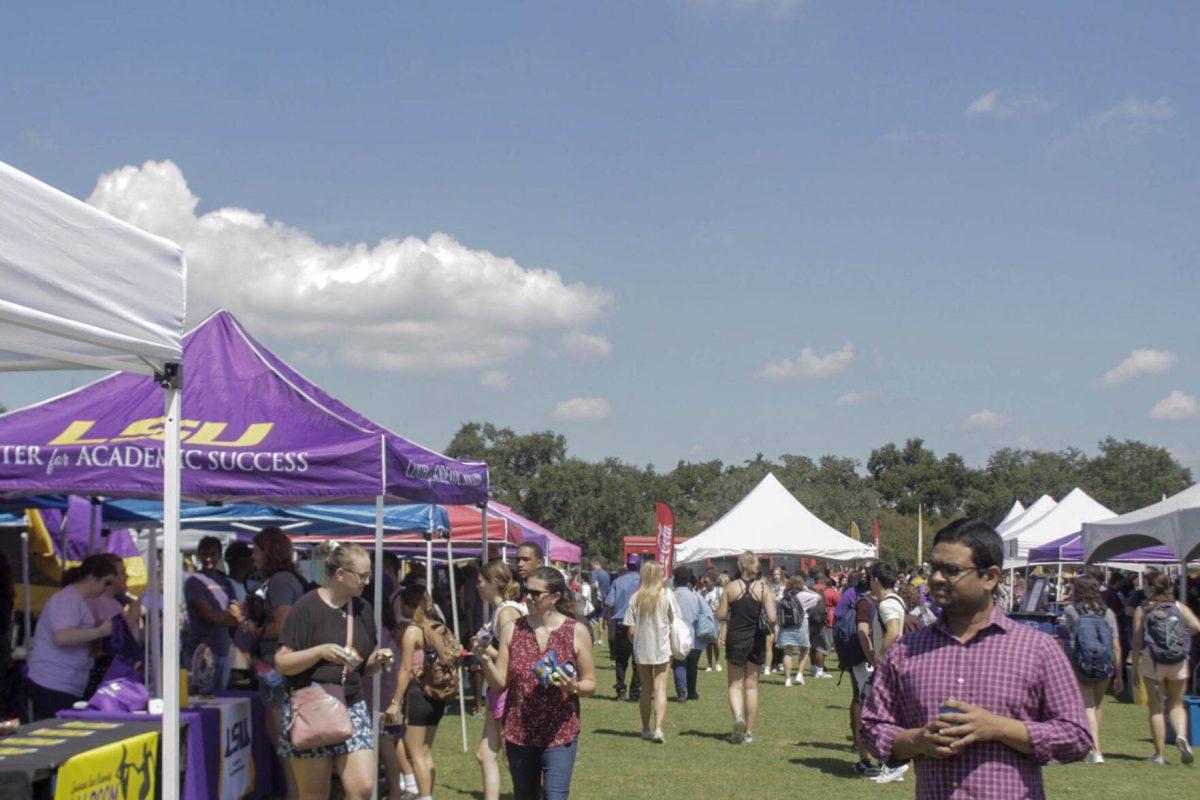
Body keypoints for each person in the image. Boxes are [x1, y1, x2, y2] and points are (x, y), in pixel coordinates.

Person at [862, 519, 1091, 798]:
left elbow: (1076, 737)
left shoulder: (1037, 649)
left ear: (990, 577)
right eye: (932, 568)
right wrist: (917, 740)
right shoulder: (906, 651)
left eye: (951, 570)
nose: (935, 578)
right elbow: (872, 728)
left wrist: (1000, 728)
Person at [275, 544, 389, 800]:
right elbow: (282, 662)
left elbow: (364, 665)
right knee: (314, 793)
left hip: (352, 703)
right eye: (362, 575)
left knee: (362, 787)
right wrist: (320, 651)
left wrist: (377, 661)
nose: (367, 581)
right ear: (340, 573)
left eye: (368, 574)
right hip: (312, 706)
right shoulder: (306, 607)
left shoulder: (363, 609)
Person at [475, 566, 596, 800]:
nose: (527, 597)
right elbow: (500, 684)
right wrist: (485, 661)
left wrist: (574, 687)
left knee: (555, 795)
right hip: (520, 732)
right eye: (525, 590)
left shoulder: (576, 631)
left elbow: (591, 682)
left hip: (560, 732)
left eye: (535, 593)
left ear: (555, 597)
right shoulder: (512, 629)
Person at [241, 527, 307, 800]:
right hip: (278, 667)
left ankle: (296, 794)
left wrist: (255, 631)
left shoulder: (280, 581)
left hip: (276, 668)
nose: (253, 556)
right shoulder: (288, 579)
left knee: (283, 738)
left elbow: (282, 626)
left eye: (256, 550)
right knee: (285, 739)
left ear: (268, 551)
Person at [26, 554, 117, 720]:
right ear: (91, 578)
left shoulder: (77, 600)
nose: (107, 588)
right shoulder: (67, 599)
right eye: (106, 582)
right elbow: (62, 637)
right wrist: (100, 631)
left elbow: (76, 636)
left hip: (65, 682)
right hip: (53, 682)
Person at [385, 584, 451, 800]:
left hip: (417, 693)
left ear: (404, 605)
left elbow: (405, 669)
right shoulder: (437, 627)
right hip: (438, 695)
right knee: (424, 752)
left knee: (417, 755)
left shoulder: (412, 631)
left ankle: (422, 796)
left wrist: (395, 700)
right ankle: (425, 794)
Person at [1131, 569, 1200, 765]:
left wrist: (1135, 667)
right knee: (1177, 705)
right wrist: (1181, 637)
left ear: (1151, 588)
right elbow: (1196, 626)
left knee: (1156, 708)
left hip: (1152, 661)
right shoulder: (1178, 606)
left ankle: (1160, 755)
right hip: (1177, 660)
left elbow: (1136, 642)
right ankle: (1181, 735)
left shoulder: (1143, 609)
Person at [473, 560, 527, 800]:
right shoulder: (504, 610)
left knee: (512, 756)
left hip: (506, 690)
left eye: (481, 581)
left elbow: (515, 655)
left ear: (493, 584)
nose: (477, 586)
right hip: (498, 689)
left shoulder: (507, 612)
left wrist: (485, 653)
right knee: (486, 754)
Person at [1061, 575, 1123, 764]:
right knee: (1097, 705)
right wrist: (1119, 674)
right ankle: (1094, 744)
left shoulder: (1071, 610)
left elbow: (1070, 637)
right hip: (1105, 663)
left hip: (1082, 662)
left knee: (1087, 705)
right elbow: (1116, 645)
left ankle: (1094, 749)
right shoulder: (1108, 613)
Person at [716, 551, 776, 744]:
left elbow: (721, 615)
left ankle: (738, 718)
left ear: (740, 566)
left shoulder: (730, 587)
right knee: (751, 687)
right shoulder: (764, 588)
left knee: (734, 685)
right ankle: (748, 732)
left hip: (735, 638)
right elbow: (772, 618)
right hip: (756, 639)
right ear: (756, 566)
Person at [862, 561, 908, 784]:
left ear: (876, 580)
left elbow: (893, 632)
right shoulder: (897, 600)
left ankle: (894, 764)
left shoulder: (886, 605)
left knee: (875, 714)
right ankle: (892, 764)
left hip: (889, 665)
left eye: (870, 578)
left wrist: (879, 655)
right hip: (899, 664)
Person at [625, 561, 682, 742]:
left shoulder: (635, 597)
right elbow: (676, 619)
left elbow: (631, 630)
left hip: (642, 648)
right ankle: (658, 729)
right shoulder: (667, 595)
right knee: (661, 688)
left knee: (646, 690)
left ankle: (645, 728)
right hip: (662, 647)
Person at [183, 536, 242, 692]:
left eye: (213, 554)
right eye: (205, 554)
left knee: (222, 697)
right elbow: (209, 615)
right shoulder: (193, 582)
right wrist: (228, 617)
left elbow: (236, 613)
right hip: (201, 653)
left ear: (219, 555)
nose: (209, 558)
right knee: (203, 698)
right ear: (199, 555)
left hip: (223, 650)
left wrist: (226, 616)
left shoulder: (224, 581)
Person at [605, 554, 642, 701]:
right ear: (639, 566)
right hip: (639, 626)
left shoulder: (617, 581)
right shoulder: (643, 583)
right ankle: (634, 694)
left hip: (621, 625)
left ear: (627, 566)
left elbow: (609, 603)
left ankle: (620, 691)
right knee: (637, 661)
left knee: (621, 661)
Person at [671, 567, 711, 702]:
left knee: (679, 663)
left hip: (676, 636)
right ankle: (692, 692)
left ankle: (681, 693)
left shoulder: (671, 595)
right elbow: (707, 613)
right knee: (693, 664)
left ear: (674, 579)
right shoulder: (696, 596)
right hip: (694, 637)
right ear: (689, 579)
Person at [776, 575, 811, 688]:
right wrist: (807, 589)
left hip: (785, 625)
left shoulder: (783, 595)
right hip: (801, 624)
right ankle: (800, 674)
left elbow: (776, 603)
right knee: (805, 649)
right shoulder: (804, 595)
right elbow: (818, 598)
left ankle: (788, 679)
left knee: (787, 652)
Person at [810, 570, 838, 679]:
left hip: (811, 620)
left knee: (813, 645)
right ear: (823, 579)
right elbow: (839, 603)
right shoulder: (829, 591)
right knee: (822, 646)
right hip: (825, 621)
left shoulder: (809, 589)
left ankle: (813, 669)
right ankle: (820, 671)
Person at [700, 571, 723, 672]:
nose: (704, 584)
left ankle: (717, 662)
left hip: (716, 619)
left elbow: (726, 604)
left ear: (713, 582)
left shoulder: (719, 591)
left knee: (715, 642)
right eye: (704, 582)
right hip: (706, 620)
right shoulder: (703, 592)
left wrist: (720, 609)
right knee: (708, 643)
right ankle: (709, 664)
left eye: (706, 582)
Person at [766, 565, 787, 675]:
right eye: (774, 574)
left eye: (778, 574)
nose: (776, 576)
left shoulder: (785, 586)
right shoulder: (769, 586)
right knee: (772, 640)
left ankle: (780, 662)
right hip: (772, 614)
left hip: (782, 615)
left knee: (781, 640)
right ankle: (773, 663)